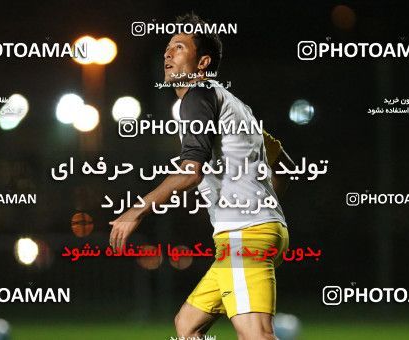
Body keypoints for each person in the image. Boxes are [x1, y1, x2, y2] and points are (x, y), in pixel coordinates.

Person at [110, 13, 295, 340]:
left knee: (257, 335)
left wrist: (138, 208)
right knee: (187, 325)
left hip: (243, 235)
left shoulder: (197, 96)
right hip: (257, 232)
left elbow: (190, 173)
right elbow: (282, 162)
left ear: (203, 61)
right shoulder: (236, 105)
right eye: (167, 48)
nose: (168, 54)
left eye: (179, 47)